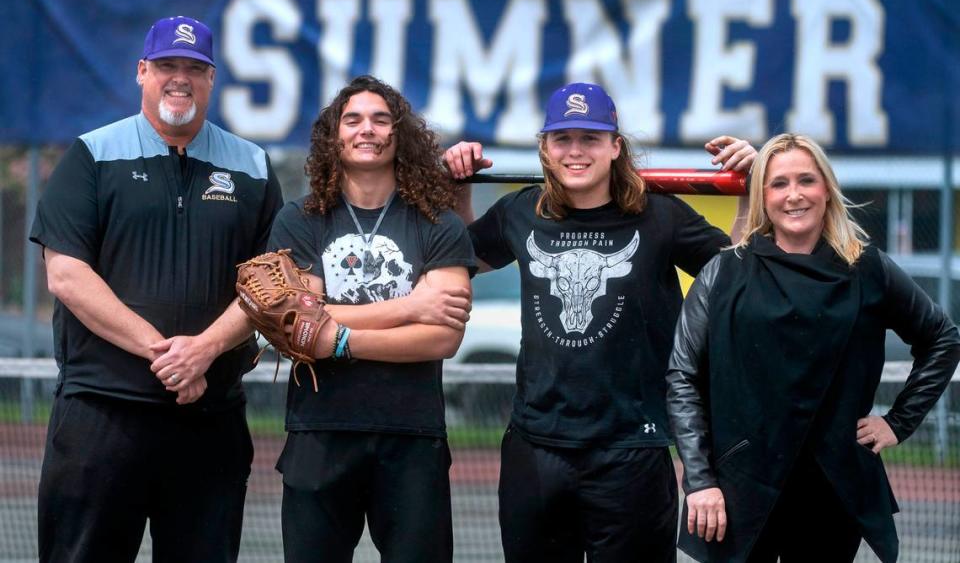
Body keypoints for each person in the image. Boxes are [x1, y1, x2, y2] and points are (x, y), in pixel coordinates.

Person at [443, 82, 756, 562]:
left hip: (632, 448)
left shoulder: (661, 217)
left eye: (590, 138)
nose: (575, 151)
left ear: (615, 147)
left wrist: (750, 189)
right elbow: (461, 257)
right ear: (545, 148)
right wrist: (458, 187)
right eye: (562, 138)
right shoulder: (520, 211)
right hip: (535, 446)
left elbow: (737, 277)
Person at [29, 16, 283, 562]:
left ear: (213, 80)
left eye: (196, 68)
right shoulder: (92, 155)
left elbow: (272, 283)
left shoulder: (254, 167)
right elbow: (66, 274)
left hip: (210, 421)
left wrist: (206, 350)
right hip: (101, 416)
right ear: (142, 71)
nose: (180, 78)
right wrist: (167, 355)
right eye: (167, 65)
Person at [666, 133, 960, 563]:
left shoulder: (867, 269)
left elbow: (943, 338)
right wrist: (699, 479)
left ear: (827, 189)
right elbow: (682, 376)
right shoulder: (725, 271)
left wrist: (898, 422)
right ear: (762, 196)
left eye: (806, 180)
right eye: (779, 183)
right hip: (738, 488)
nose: (794, 195)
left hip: (832, 489)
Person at [264, 75, 475, 563]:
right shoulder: (301, 218)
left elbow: (442, 336)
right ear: (334, 135)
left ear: (400, 135)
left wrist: (338, 340)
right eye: (353, 119)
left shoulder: (437, 222)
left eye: (381, 119)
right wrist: (411, 307)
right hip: (319, 431)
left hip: (412, 436)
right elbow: (295, 323)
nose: (367, 129)